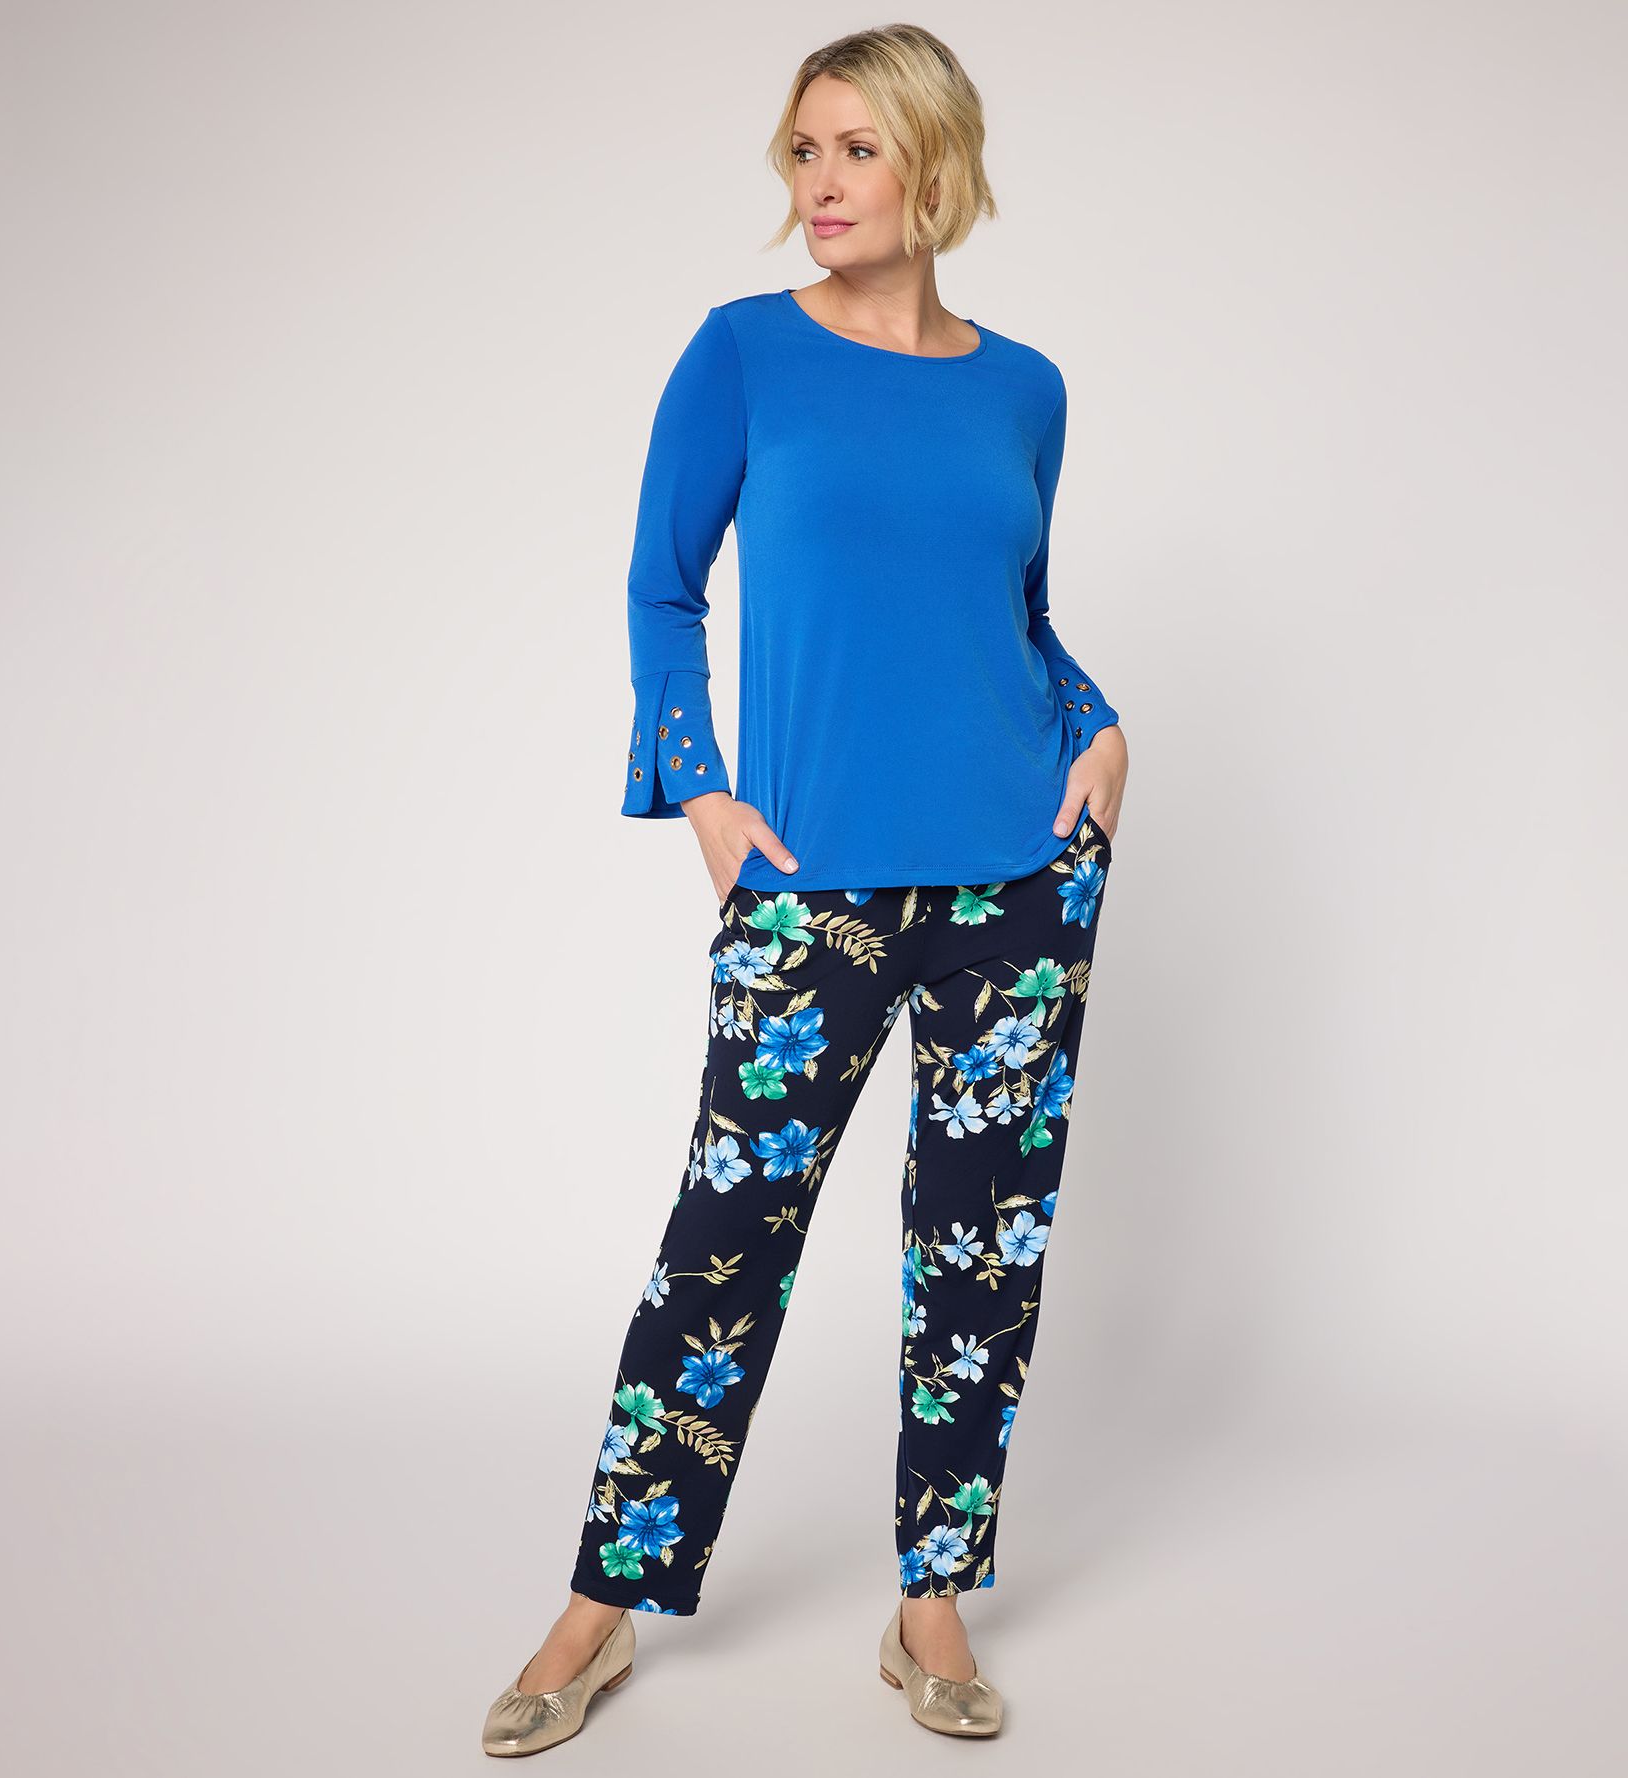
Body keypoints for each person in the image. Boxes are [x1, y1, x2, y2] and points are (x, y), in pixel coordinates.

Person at [483, 23, 1127, 1754]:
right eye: (802, 150)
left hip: (1019, 880)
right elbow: (660, 585)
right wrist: (697, 783)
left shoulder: (1026, 389)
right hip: (812, 882)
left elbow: (1013, 616)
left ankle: (933, 1597)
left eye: (855, 149)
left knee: (980, 1252)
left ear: (935, 164)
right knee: (726, 1243)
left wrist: (1099, 725)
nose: (818, 184)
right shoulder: (744, 355)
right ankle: (601, 1606)